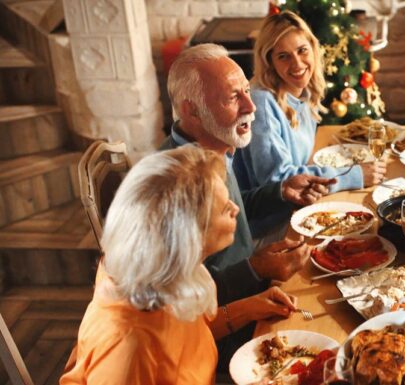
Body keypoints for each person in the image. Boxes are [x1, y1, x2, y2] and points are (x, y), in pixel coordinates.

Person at [161, 43, 332, 371]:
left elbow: (232, 214)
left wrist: (280, 191)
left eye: (246, 92)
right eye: (232, 97)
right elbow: (185, 304)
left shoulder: (216, 148)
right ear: (191, 111)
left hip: (252, 294)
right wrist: (256, 269)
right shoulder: (173, 186)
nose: (251, 106)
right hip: (220, 343)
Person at [61, 146, 291, 383]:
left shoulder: (164, 272)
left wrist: (251, 307)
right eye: (224, 209)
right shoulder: (130, 348)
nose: (235, 209)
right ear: (187, 237)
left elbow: (190, 334)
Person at [233, 11, 386, 199]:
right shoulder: (262, 102)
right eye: (283, 56)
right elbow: (279, 181)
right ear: (269, 62)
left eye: (302, 50)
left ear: (313, 49)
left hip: (303, 202)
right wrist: (352, 175)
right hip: (274, 220)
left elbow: (299, 163)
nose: (297, 64)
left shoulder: (303, 93)